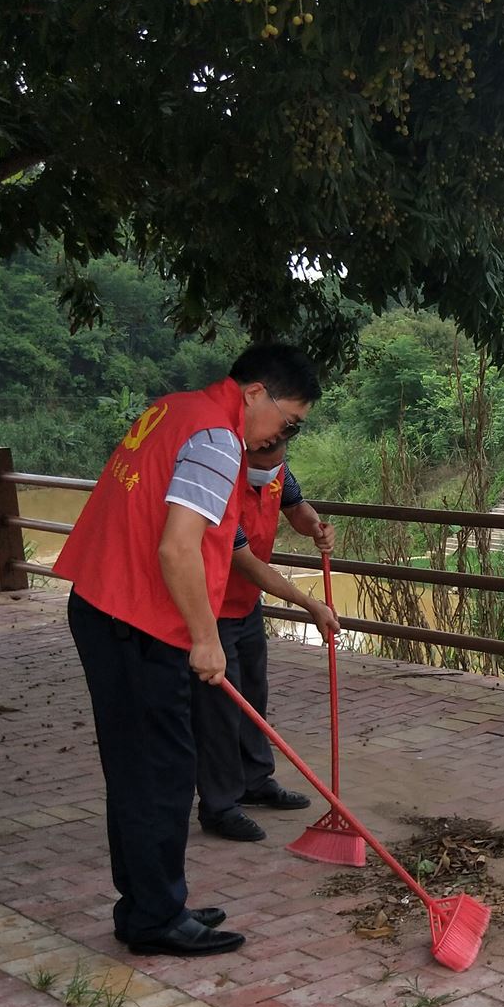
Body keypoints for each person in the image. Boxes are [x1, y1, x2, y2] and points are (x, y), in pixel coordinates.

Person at [53, 345, 322, 957]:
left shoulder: (177, 410)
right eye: (288, 422)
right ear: (255, 393)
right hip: (136, 620)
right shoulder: (216, 440)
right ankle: (155, 919)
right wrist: (205, 638)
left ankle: (150, 903)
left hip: (105, 606)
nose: (284, 434)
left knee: (137, 771)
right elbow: (178, 549)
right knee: (163, 775)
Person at [192, 440, 342, 842]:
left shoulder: (278, 471)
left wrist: (315, 526)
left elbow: (296, 507)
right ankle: (220, 806)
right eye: (263, 463)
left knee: (253, 695)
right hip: (212, 607)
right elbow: (246, 562)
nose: (272, 470)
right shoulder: (221, 482)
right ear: (243, 455)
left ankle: (255, 781)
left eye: (278, 463)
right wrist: (309, 603)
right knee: (221, 707)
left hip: (245, 607)